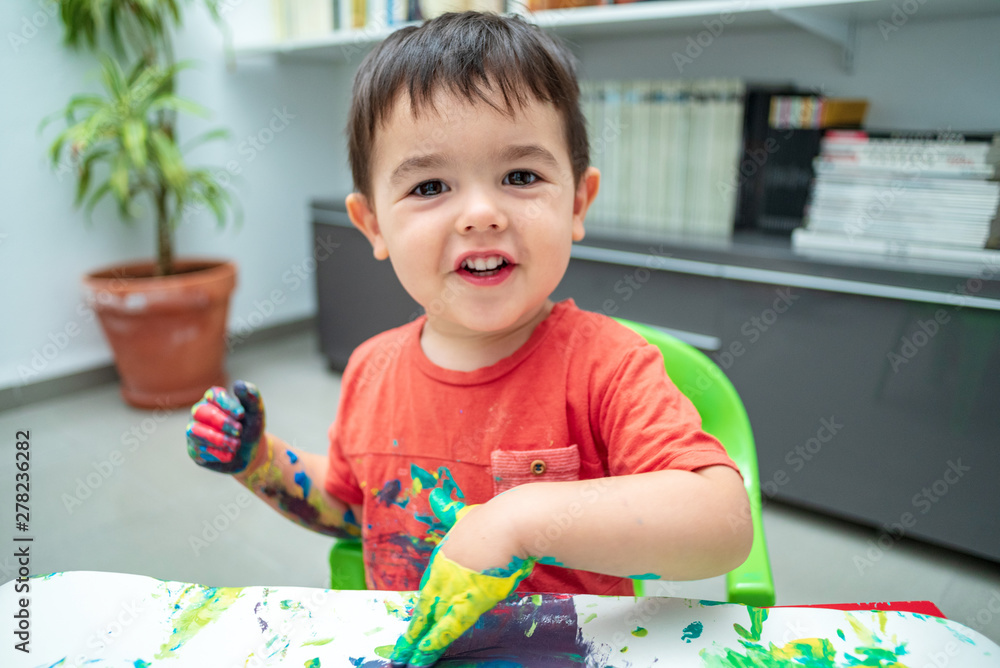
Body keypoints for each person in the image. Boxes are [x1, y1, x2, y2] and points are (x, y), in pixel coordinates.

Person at [186, 11, 752, 668]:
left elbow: (722, 521)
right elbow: (352, 508)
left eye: (520, 176)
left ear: (577, 204)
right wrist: (260, 460)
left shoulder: (610, 367)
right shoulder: (370, 370)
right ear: (372, 224)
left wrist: (521, 519)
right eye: (430, 186)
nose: (481, 213)